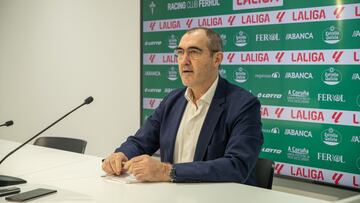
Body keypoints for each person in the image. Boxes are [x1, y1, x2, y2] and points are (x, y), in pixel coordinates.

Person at [102, 27, 263, 185]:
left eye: (194, 52)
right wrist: (122, 154)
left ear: (217, 59)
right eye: (180, 53)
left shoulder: (243, 105)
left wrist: (167, 172)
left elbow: (237, 166)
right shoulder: (173, 100)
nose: (184, 60)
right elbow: (141, 141)